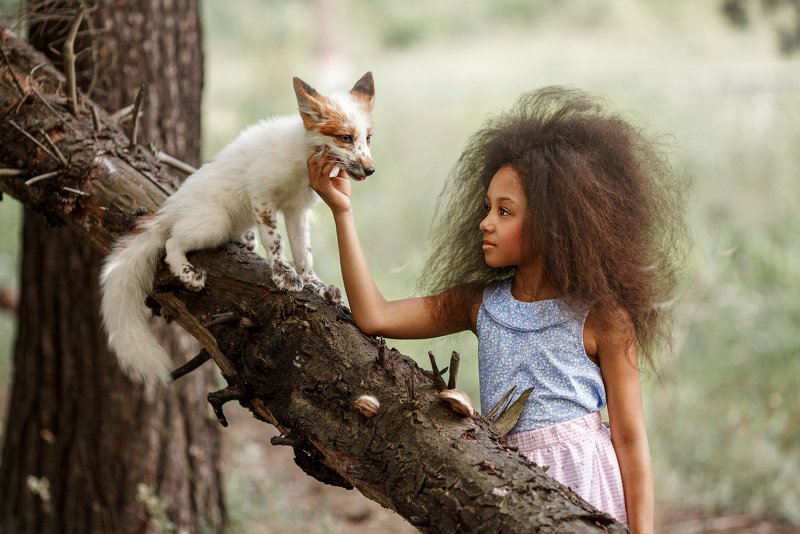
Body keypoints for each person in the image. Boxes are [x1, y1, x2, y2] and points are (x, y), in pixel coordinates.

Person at [308, 86, 686, 533]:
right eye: (487, 207)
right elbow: (375, 317)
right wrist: (342, 213)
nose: (485, 221)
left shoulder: (604, 319)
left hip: (587, 493)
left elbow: (629, 438)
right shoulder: (480, 304)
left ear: (555, 224)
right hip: (504, 492)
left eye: (504, 211)